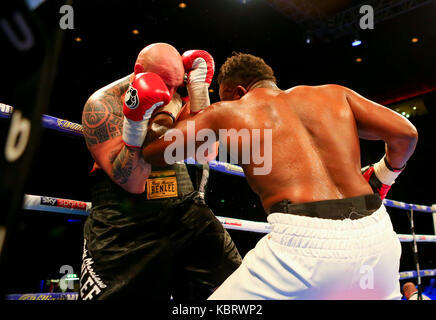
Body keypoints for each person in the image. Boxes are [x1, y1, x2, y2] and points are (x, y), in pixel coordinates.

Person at [142, 52, 419, 300]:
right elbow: (406, 134)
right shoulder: (334, 94)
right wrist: (383, 175)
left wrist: (172, 103)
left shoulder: (227, 111)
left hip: (304, 251)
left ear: (238, 92)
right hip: (378, 237)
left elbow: (154, 152)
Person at [79, 43, 241, 300]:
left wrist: (198, 94)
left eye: (176, 85)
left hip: (182, 205)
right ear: (139, 70)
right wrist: (135, 124)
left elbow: (206, 153)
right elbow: (133, 183)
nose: (169, 93)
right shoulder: (103, 106)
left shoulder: (178, 93)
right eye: (165, 84)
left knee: (240, 287)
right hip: (125, 215)